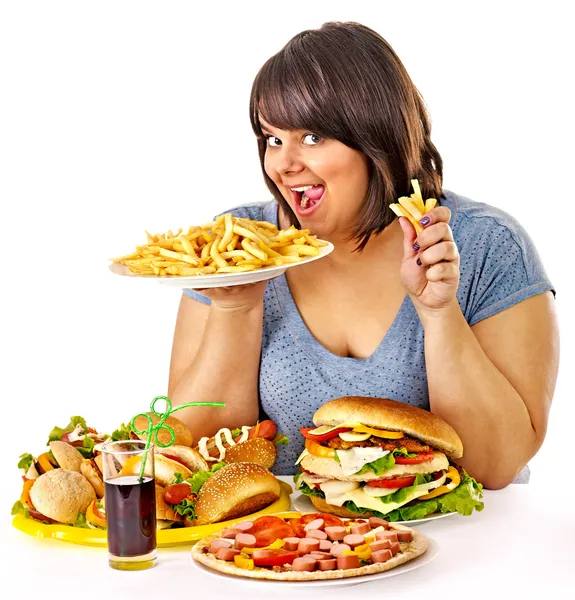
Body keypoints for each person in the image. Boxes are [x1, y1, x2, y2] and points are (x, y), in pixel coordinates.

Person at [167, 21, 558, 489]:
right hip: (296, 545)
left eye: (312, 138)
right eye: (273, 138)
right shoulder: (234, 246)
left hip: (466, 547)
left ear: (379, 139)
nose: (284, 164)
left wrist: (438, 312)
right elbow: (194, 456)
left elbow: (496, 467)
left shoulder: (488, 245)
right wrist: (237, 305)